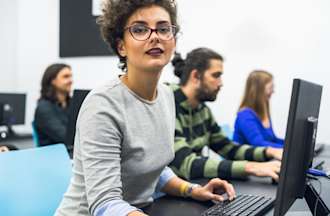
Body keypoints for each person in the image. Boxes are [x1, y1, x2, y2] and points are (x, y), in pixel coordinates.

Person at [56, 1, 236, 216]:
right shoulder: (103, 105)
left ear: (174, 42)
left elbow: (154, 170)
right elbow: (105, 204)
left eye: (163, 29)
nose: (155, 36)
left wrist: (193, 190)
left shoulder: (167, 96)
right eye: (140, 29)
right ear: (121, 46)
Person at [170, 47, 283, 181]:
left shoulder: (203, 111)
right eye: (216, 75)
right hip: (166, 195)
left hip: (193, 187)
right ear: (195, 76)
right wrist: (251, 167)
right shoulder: (169, 105)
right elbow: (186, 164)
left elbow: (229, 149)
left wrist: (269, 151)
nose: (221, 83)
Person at [233, 70, 284, 148]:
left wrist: (291, 145)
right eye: (270, 88)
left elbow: (272, 140)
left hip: (263, 158)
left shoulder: (264, 113)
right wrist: (288, 150)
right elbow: (258, 144)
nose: (273, 91)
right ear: (259, 90)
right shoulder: (245, 115)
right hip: (246, 159)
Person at [34, 63, 72, 148]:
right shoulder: (44, 108)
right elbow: (65, 137)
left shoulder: (71, 103)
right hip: (53, 156)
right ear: (53, 80)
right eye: (66, 77)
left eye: (71, 76)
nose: (71, 80)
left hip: (71, 152)